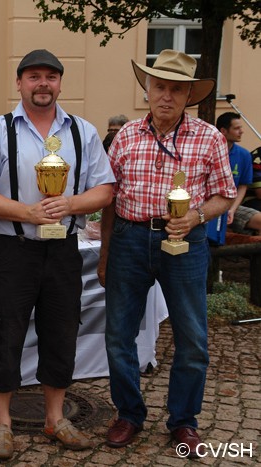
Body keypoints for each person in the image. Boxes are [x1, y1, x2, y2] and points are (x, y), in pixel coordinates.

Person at [0, 49, 114, 460]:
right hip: (14, 249)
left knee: (62, 330)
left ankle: (54, 417)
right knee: (6, 330)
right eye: (34, 77)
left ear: (60, 84)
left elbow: (105, 189)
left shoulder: (82, 131)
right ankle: (2, 424)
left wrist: (72, 204)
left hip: (63, 248)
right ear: (19, 83)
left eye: (50, 76)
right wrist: (27, 212)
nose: (42, 84)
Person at [98, 49, 236, 457]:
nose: (167, 96)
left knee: (192, 337)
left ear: (188, 95)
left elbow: (224, 196)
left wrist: (195, 215)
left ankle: (183, 422)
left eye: (177, 90)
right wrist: (105, 254)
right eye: (160, 86)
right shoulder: (125, 136)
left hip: (185, 244)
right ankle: (128, 413)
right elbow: (109, 199)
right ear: (148, 89)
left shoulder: (209, 137)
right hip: (128, 239)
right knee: (118, 335)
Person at [215, 112, 261, 235]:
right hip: (209, 206)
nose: (241, 131)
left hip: (232, 206)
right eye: (236, 128)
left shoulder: (244, 154)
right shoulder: (210, 152)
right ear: (223, 131)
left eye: (241, 128)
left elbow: (242, 186)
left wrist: (232, 209)